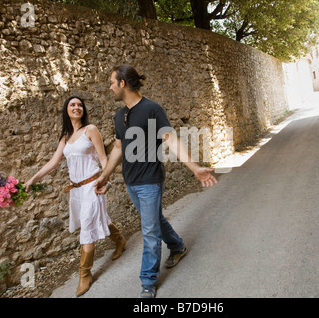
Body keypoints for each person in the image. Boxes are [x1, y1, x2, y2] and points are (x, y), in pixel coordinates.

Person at [95, 64, 217, 298]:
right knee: (155, 220)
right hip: (131, 181)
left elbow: (171, 140)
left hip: (150, 180)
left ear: (123, 83)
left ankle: (147, 281)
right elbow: (118, 148)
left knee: (149, 230)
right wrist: (104, 175)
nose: (109, 86)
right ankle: (177, 246)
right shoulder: (120, 115)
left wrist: (194, 167)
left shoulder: (152, 109)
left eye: (112, 82)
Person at [24, 96, 126, 297]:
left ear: (83, 110)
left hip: (93, 185)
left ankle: (84, 274)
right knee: (98, 219)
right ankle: (119, 239)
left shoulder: (91, 130)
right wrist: (32, 180)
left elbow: (104, 159)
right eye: (73, 105)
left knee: (88, 226)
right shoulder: (65, 137)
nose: (77, 107)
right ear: (67, 110)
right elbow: (53, 162)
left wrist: (108, 182)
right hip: (76, 190)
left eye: (80, 105)